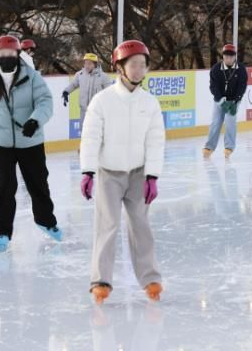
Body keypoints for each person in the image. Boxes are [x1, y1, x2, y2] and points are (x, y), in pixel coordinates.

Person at [79, 39, 165, 305]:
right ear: (120, 68)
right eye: (134, 65)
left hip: (139, 174)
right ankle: (100, 280)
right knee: (107, 226)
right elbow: (91, 138)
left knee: (141, 226)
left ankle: (150, 278)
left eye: (143, 65)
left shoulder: (150, 103)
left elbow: (155, 140)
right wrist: (88, 171)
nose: (139, 70)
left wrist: (152, 176)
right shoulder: (102, 101)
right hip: (109, 174)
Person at [0, 35, 62, 252]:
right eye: (2, 54)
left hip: (30, 141)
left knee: (38, 183)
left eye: (11, 53)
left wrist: (35, 120)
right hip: (2, 144)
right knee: (6, 186)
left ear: (18, 54)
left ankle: (46, 221)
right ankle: (1, 231)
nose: (6, 57)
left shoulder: (32, 77)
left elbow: (45, 101)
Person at [204, 44, 248, 159]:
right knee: (215, 123)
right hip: (219, 100)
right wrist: (221, 100)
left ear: (235, 57)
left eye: (231, 57)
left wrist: (236, 100)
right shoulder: (216, 69)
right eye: (226, 56)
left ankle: (229, 147)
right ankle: (209, 147)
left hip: (233, 101)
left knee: (230, 121)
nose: (228, 59)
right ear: (223, 56)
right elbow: (213, 87)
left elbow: (242, 86)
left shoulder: (241, 69)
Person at [62, 53, 113, 133]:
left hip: (97, 111)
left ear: (95, 64)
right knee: (84, 132)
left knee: (97, 132)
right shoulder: (80, 74)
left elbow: (110, 91)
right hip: (84, 110)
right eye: (85, 63)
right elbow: (73, 85)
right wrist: (66, 92)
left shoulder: (103, 76)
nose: (87, 66)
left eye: (89, 63)